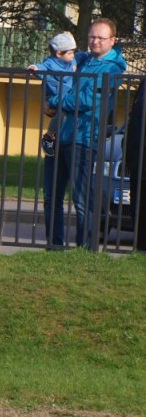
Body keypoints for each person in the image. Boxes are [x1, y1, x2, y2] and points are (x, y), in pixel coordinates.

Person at [54, 18, 126, 250]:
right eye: (92, 36)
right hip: (65, 132)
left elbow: (87, 100)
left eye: (101, 38)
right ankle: (55, 244)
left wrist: (56, 101)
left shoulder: (112, 68)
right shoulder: (86, 59)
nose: (95, 41)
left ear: (112, 40)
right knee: (53, 195)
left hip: (85, 137)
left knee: (82, 197)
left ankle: (86, 247)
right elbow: (60, 61)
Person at [29, 32, 78, 248]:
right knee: (59, 116)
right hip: (56, 100)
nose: (73, 55)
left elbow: (81, 57)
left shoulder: (72, 62)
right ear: (58, 53)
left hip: (65, 102)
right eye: (70, 52)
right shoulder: (51, 64)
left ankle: (50, 137)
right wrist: (34, 69)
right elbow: (41, 67)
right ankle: (49, 138)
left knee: (62, 116)